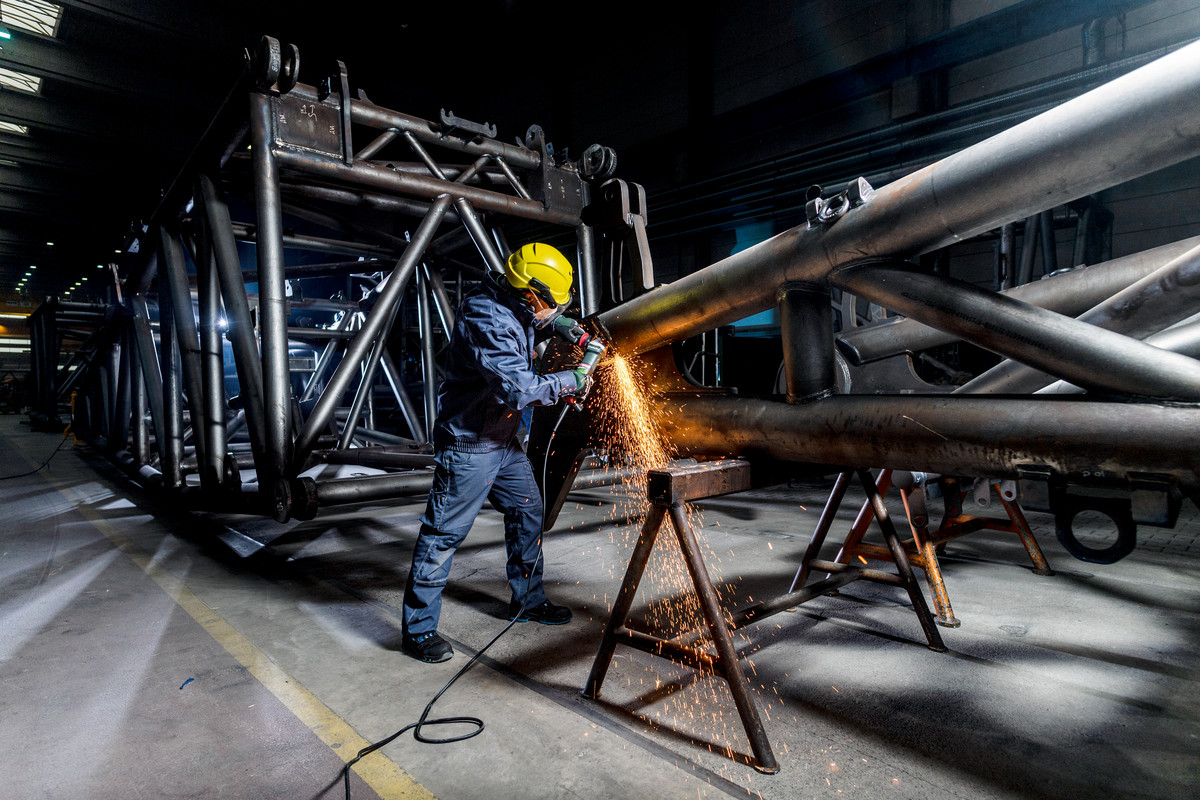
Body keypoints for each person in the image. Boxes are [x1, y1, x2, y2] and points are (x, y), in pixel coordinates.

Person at [400, 242, 590, 663]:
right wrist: (571, 380)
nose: (552, 309)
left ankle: (528, 601)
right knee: (442, 536)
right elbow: (519, 389)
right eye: (551, 304)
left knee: (528, 510)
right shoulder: (486, 316)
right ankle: (417, 630)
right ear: (531, 293)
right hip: (469, 445)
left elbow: (530, 324)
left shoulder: (514, 301)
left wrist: (560, 325)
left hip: (502, 441)